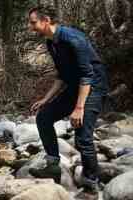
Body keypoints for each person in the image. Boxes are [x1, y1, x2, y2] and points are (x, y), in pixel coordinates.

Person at [27, 6, 109, 200]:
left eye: (33, 22)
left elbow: (87, 76)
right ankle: (53, 167)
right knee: (44, 118)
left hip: (93, 88)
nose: (31, 27)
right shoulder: (51, 42)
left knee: (83, 137)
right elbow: (62, 76)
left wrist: (79, 108)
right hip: (75, 87)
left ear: (45, 20)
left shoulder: (73, 39)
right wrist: (46, 99)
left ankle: (91, 185)